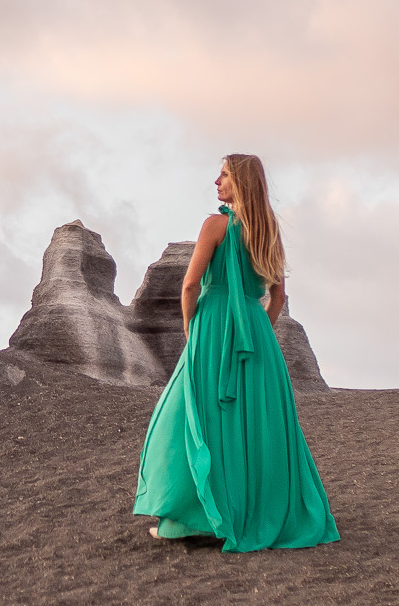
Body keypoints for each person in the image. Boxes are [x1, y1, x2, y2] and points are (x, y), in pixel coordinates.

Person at [133, 154, 339, 553]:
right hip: (256, 332)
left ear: (240, 182)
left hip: (214, 327)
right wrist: (259, 328)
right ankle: (250, 514)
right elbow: (278, 295)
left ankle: (192, 519)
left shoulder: (216, 225)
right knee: (259, 426)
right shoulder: (268, 231)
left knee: (191, 418)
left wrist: (191, 328)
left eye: (224, 174)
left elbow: (190, 285)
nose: (216, 181)